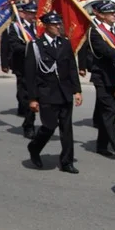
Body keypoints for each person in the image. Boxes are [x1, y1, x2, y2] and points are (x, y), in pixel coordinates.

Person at [24, 12, 83, 173]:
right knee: (49, 126)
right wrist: (32, 98)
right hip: (46, 93)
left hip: (64, 92)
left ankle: (66, 162)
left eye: (59, 23)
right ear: (46, 26)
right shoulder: (35, 46)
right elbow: (30, 75)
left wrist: (77, 90)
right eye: (55, 24)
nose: (59, 26)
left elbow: (72, 68)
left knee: (66, 129)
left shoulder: (64, 43)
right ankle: (34, 148)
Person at [84, 0, 115, 160]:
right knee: (109, 112)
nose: (113, 15)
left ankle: (102, 145)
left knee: (109, 113)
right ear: (102, 16)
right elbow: (103, 50)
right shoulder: (95, 32)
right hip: (102, 78)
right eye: (110, 13)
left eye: (114, 12)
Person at [1, 2, 38, 138]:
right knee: (27, 97)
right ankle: (29, 125)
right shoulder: (16, 28)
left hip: (38, 67)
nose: (33, 15)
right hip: (23, 67)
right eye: (31, 13)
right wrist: (31, 47)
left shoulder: (38, 27)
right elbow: (13, 45)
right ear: (23, 13)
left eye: (35, 13)